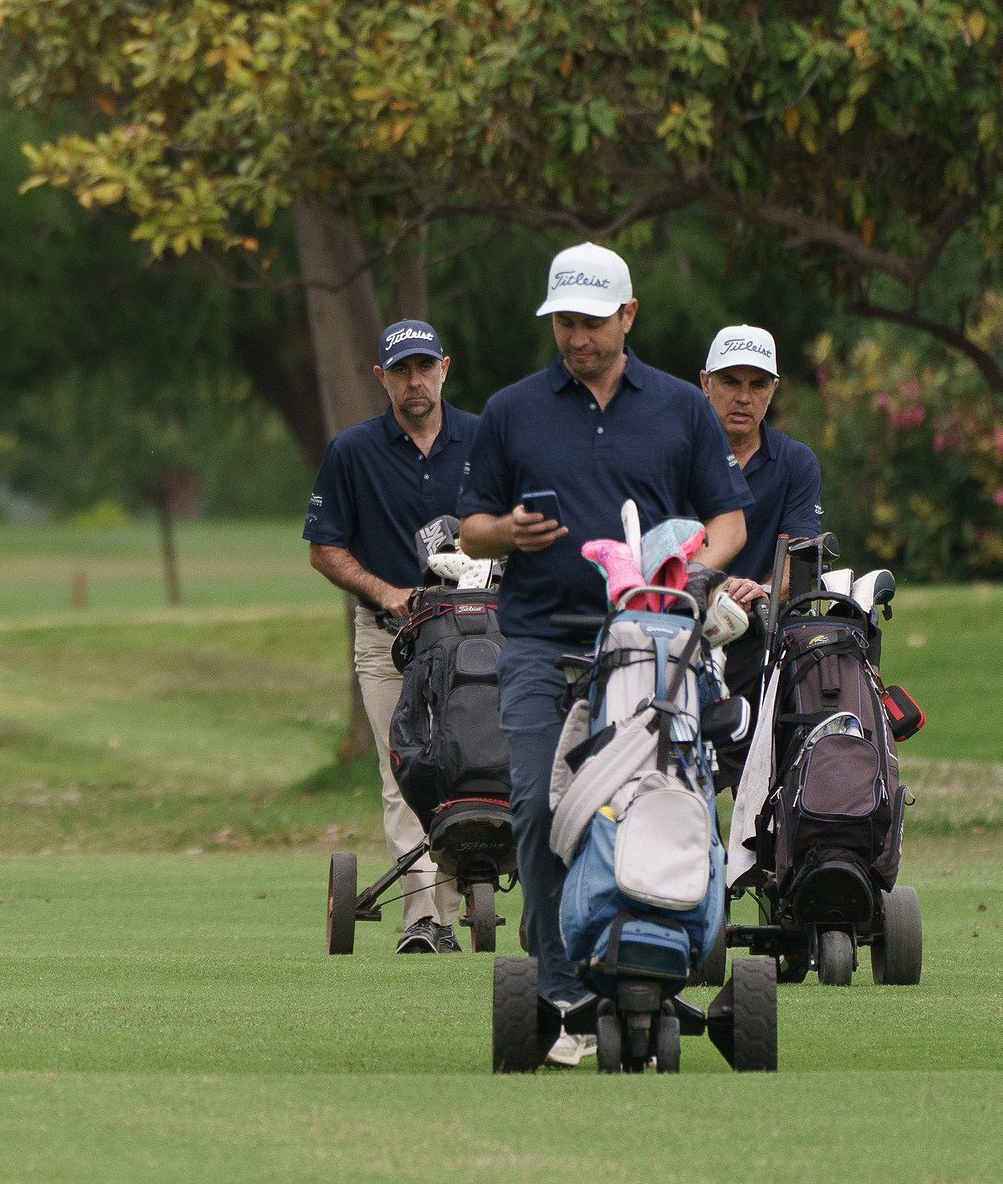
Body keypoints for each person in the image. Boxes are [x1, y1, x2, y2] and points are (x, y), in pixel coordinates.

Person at [457, 242, 750, 1063]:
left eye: (590, 322)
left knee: (669, 796)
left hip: (654, 642)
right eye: (564, 322)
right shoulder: (512, 409)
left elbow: (728, 520)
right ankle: (563, 991)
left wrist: (690, 575)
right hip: (541, 641)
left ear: (628, 316)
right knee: (537, 806)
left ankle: (655, 957)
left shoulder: (681, 407)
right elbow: (470, 526)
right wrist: (506, 532)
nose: (576, 337)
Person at [304, 319, 479, 953]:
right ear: (382, 377)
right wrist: (386, 592)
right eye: (401, 371)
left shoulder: (483, 439)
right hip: (388, 636)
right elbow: (325, 549)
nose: (414, 381)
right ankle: (423, 920)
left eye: (424, 367)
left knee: (468, 768)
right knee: (404, 771)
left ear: (444, 368)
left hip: (471, 635)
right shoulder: (353, 451)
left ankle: (450, 911)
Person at [699, 325, 823, 780]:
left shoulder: (796, 462)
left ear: (774, 389)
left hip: (764, 643)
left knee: (764, 789)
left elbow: (800, 553)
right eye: (730, 381)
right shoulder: (678, 455)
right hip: (686, 633)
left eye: (757, 384)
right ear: (705, 383)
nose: (743, 397)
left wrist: (764, 589)